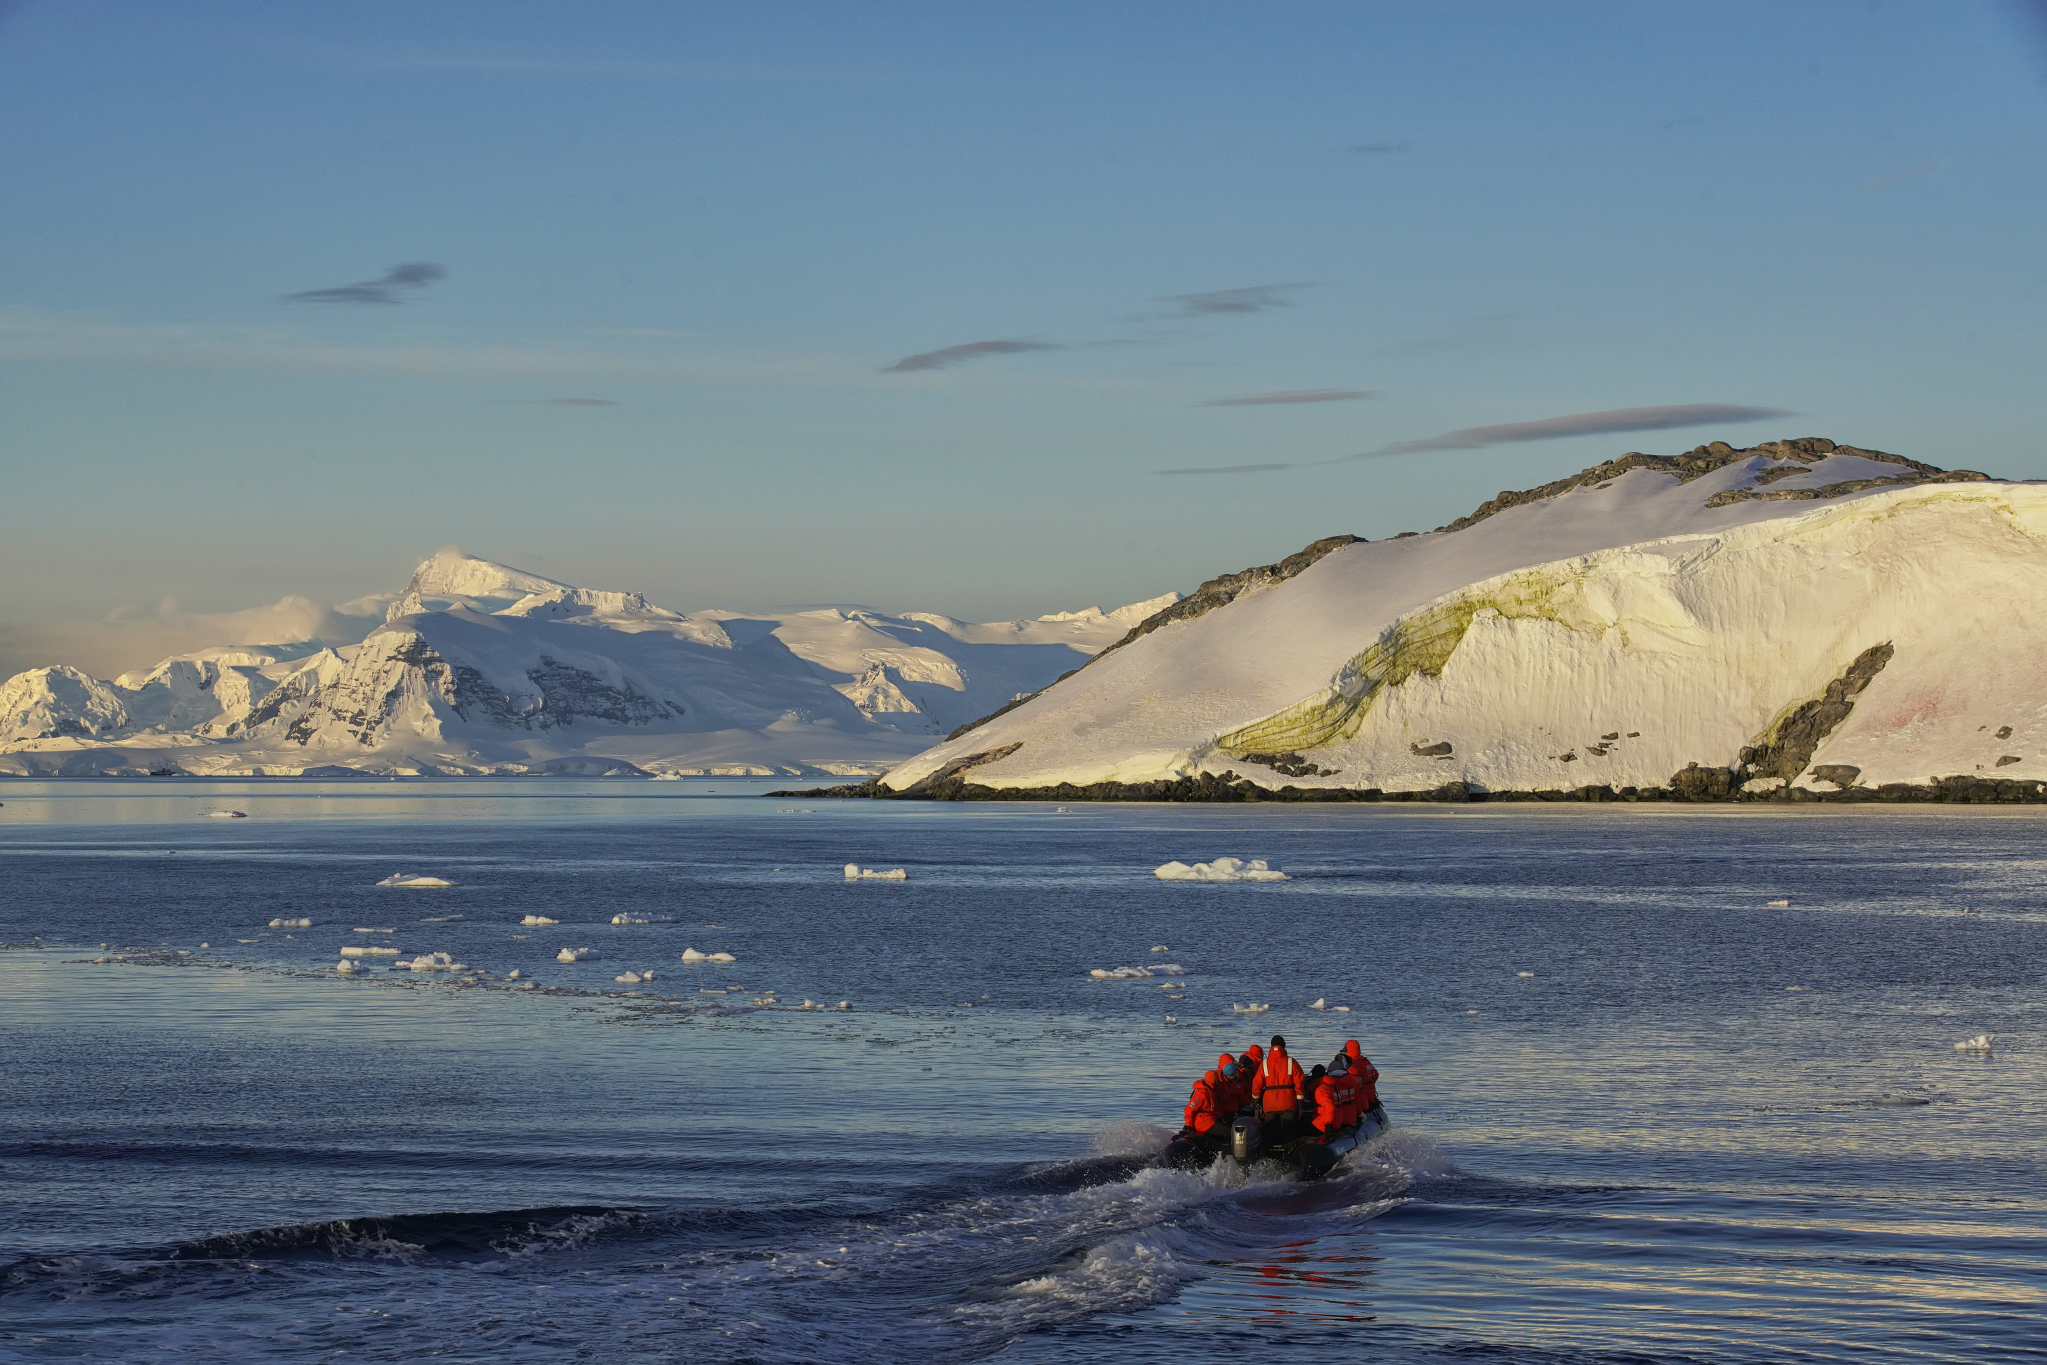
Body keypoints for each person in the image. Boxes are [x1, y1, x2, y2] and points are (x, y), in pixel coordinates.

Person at [1253, 1034, 1308, 1144]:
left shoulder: (1264, 1063)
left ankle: (1270, 1154)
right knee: (1290, 1131)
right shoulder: (1291, 1062)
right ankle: (1291, 1153)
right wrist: (1300, 1102)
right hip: (1288, 1101)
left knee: (1271, 1130)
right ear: (1284, 1046)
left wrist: (1255, 1099)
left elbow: (1256, 1083)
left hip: (1269, 1103)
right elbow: (1299, 1082)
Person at [1182, 1067, 1226, 1139]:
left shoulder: (1210, 1091)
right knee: (1229, 1132)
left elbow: (1212, 1108)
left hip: (1209, 1119)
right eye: (1217, 1081)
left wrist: (1221, 1117)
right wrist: (1187, 1125)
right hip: (1203, 1123)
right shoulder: (1202, 1094)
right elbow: (1189, 1109)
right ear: (1214, 1081)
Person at [1344, 1039, 1381, 1114]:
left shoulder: (1355, 1063)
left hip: (1365, 1097)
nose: (1345, 1054)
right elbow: (1376, 1075)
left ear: (1350, 1051)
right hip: (1371, 1094)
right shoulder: (1365, 1061)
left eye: (1346, 1052)